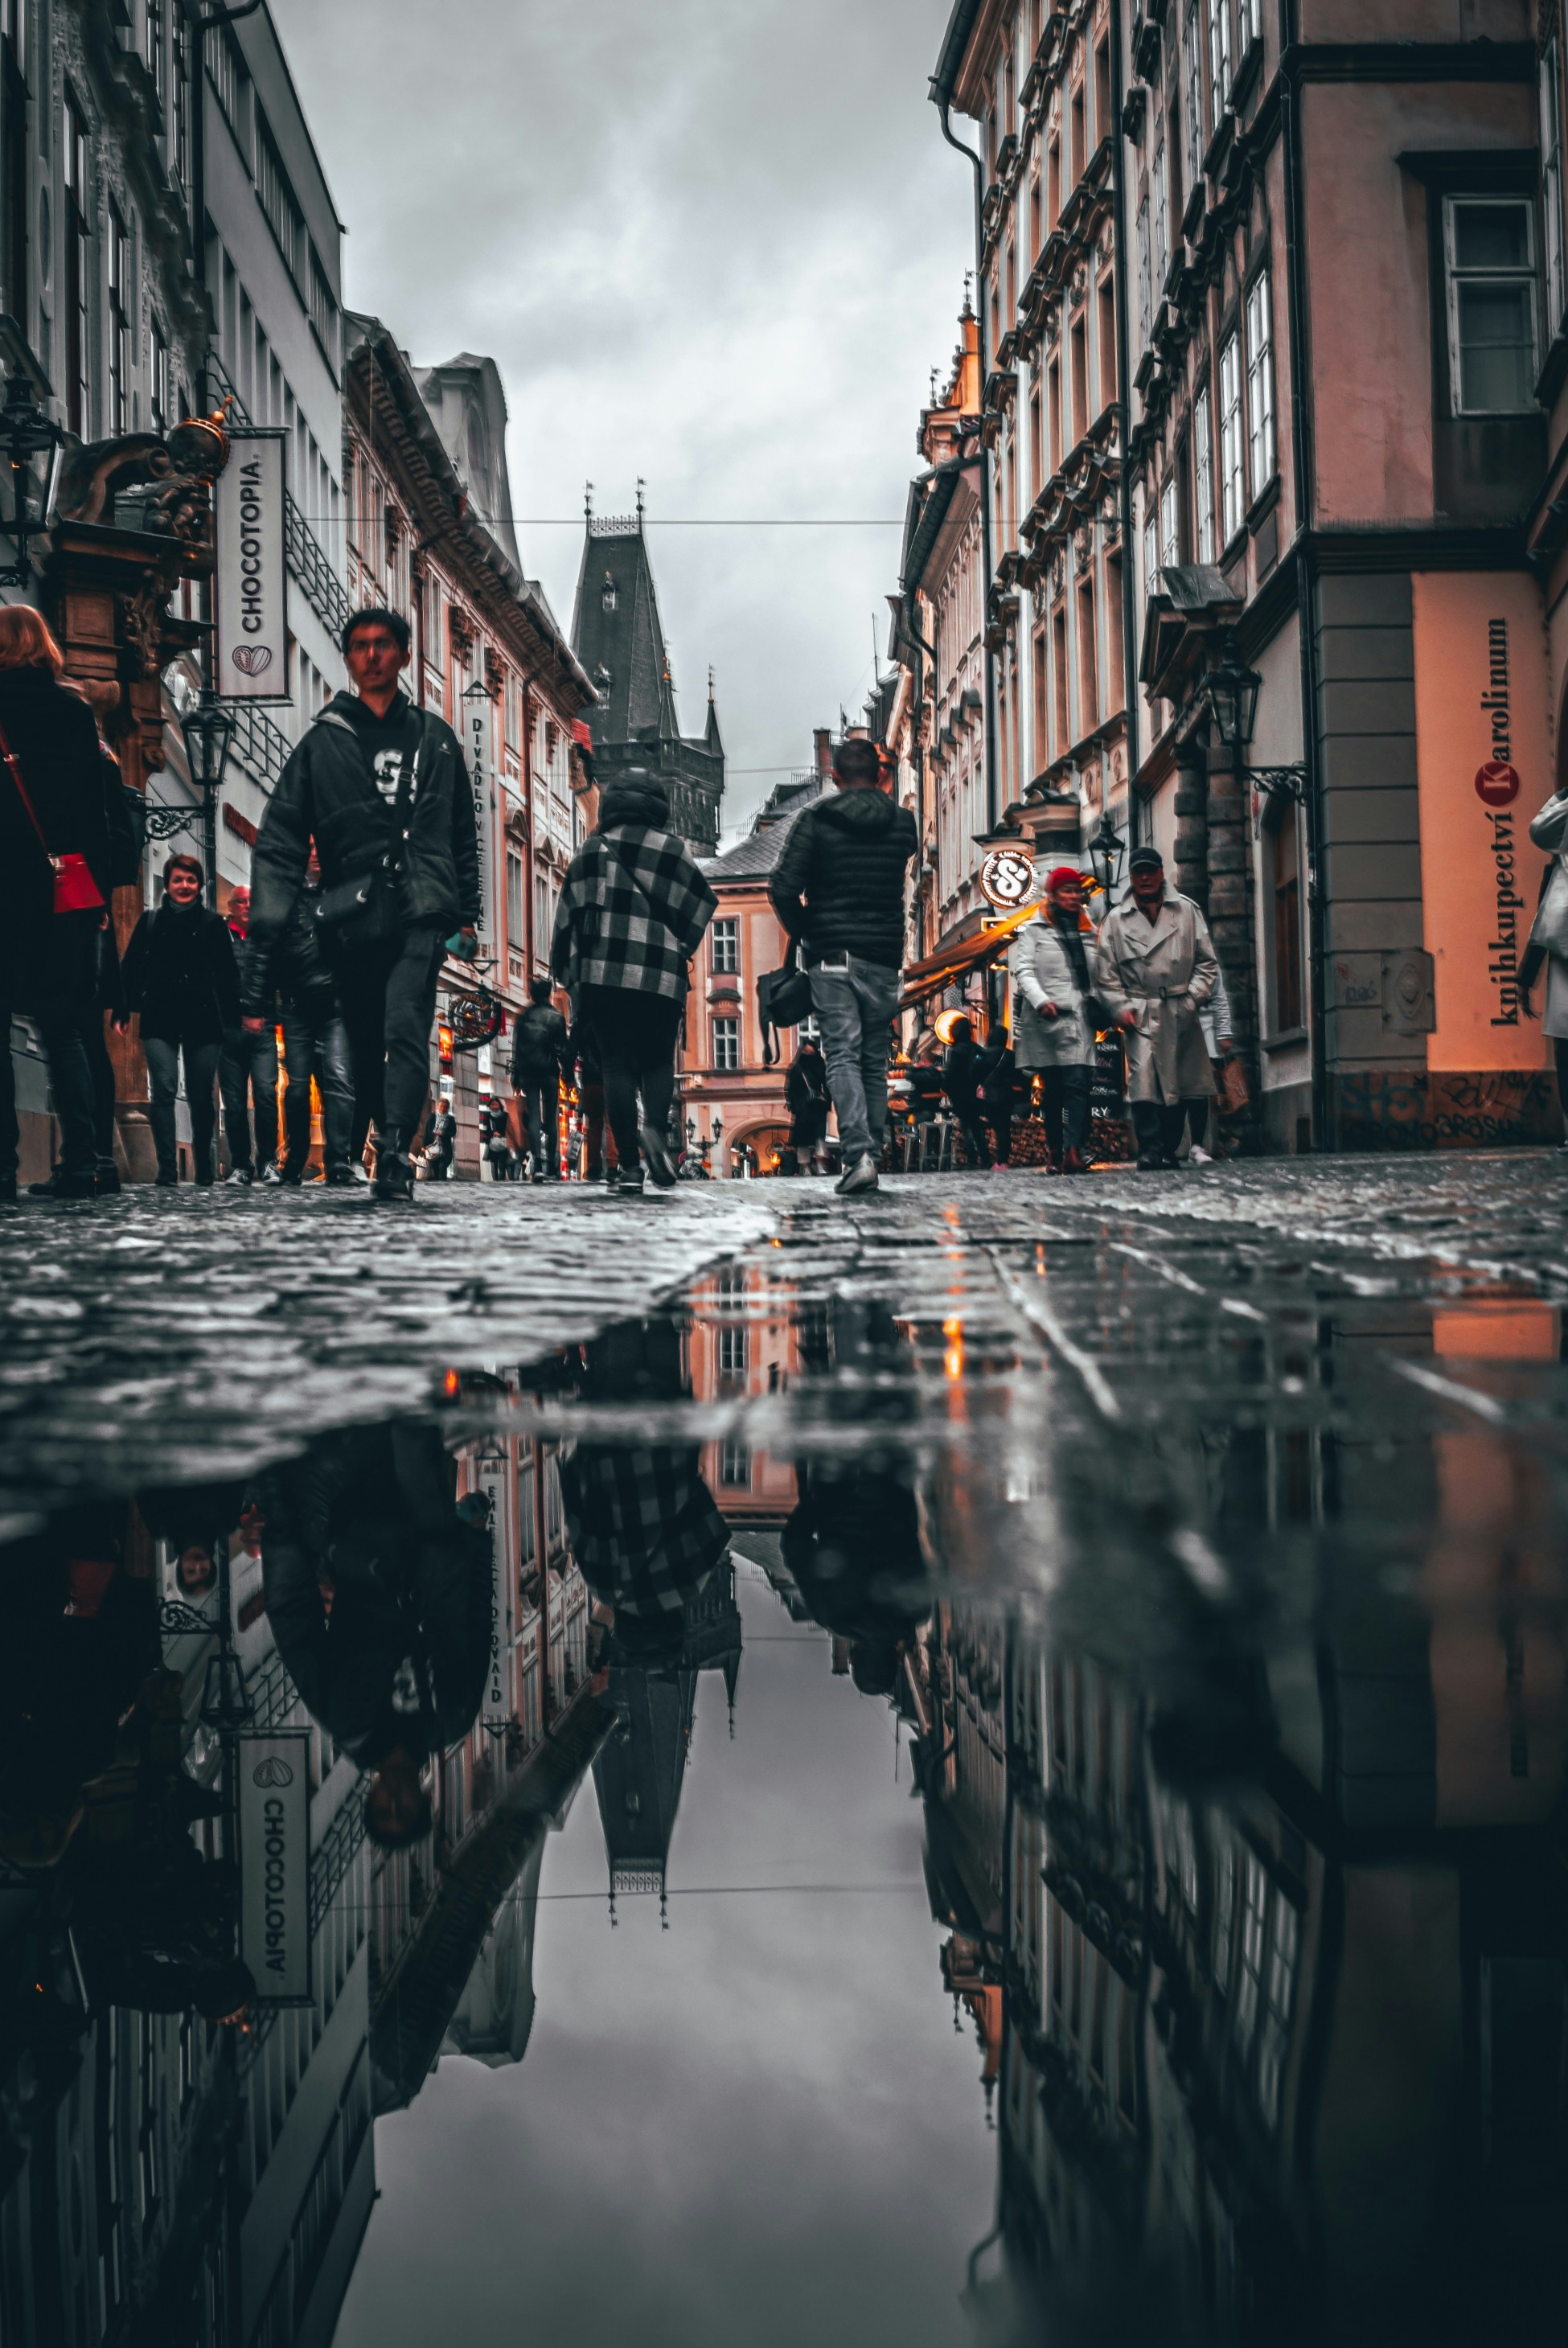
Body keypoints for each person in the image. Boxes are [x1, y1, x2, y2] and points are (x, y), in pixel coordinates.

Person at [248, 607, 479, 1201]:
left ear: (403, 655)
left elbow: (461, 834)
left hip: (422, 908)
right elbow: (280, 840)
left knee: (406, 1024)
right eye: (359, 646)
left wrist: (466, 915)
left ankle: (397, 1149)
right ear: (349, 659)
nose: (371, 655)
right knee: (364, 1032)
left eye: (383, 645)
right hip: (350, 916)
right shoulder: (322, 744)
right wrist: (269, 926)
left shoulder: (438, 739)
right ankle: (385, 1130)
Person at [260, 1422, 492, 1849]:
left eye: (383, 1809)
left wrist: (282, 1539)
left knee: (360, 1429)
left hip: (365, 1539)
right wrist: (477, 1545)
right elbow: (477, 1628)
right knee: (410, 1430)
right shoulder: (451, 1719)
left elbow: (295, 1621)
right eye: (404, 1810)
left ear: (369, 1796)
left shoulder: (343, 1718)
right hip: (432, 1547)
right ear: (425, 1800)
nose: (394, 1801)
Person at [552, 769, 716, 1199]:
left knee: (617, 1067)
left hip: (603, 978)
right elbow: (702, 905)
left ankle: (628, 1165)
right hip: (661, 977)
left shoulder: (590, 851)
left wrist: (568, 974)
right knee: (659, 1061)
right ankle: (655, 1134)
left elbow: (566, 918)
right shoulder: (674, 851)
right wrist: (679, 944)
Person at [0, 608, 117, 1201]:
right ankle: (83, 1163)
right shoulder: (75, 710)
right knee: (65, 1028)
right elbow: (94, 812)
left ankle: (1, 1169)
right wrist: (96, 892)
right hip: (60, 887)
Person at [768, 737, 918, 1196]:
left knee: (843, 1056)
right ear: (880, 776)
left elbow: (782, 886)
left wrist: (807, 933)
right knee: (874, 1059)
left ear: (834, 778)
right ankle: (872, 1149)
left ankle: (858, 1155)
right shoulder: (902, 822)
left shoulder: (815, 819)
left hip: (831, 956)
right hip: (884, 955)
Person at [1094, 845, 1217, 1172]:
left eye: (1150, 870)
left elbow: (1207, 963)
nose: (1145, 877)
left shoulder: (1187, 912)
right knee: (1144, 1081)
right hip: (1140, 1009)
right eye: (1138, 872)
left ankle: (1169, 1147)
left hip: (1180, 1007)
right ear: (1131, 878)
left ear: (1162, 873)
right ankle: (1150, 1148)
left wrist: (1192, 1000)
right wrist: (1120, 1007)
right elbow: (1106, 975)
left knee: (1179, 1082)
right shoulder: (1116, 921)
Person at [120, 854, 240, 1187]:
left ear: (199, 885)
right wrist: (122, 1008)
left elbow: (229, 975)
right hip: (159, 1014)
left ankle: (203, 1164)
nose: (184, 886)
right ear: (168, 884)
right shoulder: (151, 921)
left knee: (202, 1094)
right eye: (178, 880)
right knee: (163, 1089)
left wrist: (233, 1019)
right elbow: (130, 967)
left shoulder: (213, 924)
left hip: (203, 1016)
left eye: (190, 880)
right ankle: (167, 1170)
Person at [240, 849, 355, 1185]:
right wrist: (255, 1006)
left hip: (335, 1005)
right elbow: (263, 951)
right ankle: (296, 1158)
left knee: (339, 1081)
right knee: (296, 1089)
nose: (318, 853)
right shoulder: (285, 896)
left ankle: (338, 1161)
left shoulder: (343, 892)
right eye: (311, 848)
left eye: (322, 846)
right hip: (295, 1005)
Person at [1012, 865, 1106, 1175]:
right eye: (1066, 890)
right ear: (1051, 895)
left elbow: (1098, 974)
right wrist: (1041, 1001)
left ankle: (1074, 1151)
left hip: (1078, 1018)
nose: (1073, 896)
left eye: (1076, 890)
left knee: (1079, 1084)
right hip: (1046, 1021)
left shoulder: (1089, 929)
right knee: (1053, 1090)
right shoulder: (1035, 930)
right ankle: (1055, 1151)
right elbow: (1023, 970)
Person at [218, 883, 280, 1186]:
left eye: (252, 902)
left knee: (267, 1096)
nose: (247, 906)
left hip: (263, 1032)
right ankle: (240, 1165)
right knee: (235, 1102)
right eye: (240, 902)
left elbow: (277, 980)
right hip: (228, 1032)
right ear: (230, 906)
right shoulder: (218, 937)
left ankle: (268, 1161)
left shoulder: (267, 939)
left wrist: (268, 1017)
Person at [511, 975, 568, 1183]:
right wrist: (568, 1074)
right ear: (549, 993)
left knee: (534, 1117)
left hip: (528, 1072)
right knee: (550, 1119)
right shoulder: (556, 1017)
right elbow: (563, 1049)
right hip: (550, 1072)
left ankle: (536, 1166)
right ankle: (551, 1165)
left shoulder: (524, 1016)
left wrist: (515, 1075)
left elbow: (516, 1048)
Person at [941, 1015, 991, 1168]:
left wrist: (946, 1087)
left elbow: (951, 1074)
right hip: (975, 1093)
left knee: (967, 1127)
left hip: (961, 1094)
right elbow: (986, 1066)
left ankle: (972, 1159)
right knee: (976, 1127)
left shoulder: (955, 1051)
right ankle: (986, 1158)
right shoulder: (976, 1048)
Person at [785, 1033, 830, 1175]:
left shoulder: (819, 1064)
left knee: (820, 1136)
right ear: (802, 1051)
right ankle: (806, 1167)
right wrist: (795, 1105)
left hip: (817, 1106)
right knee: (802, 1140)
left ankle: (819, 1163)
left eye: (812, 1052)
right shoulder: (797, 1067)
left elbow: (826, 1083)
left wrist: (828, 1101)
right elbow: (790, 1088)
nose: (809, 1054)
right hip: (803, 1108)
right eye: (807, 1052)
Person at [978, 1028, 1020, 1170]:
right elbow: (1018, 1077)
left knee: (986, 1127)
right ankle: (1003, 1161)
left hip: (987, 1097)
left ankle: (984, 1158)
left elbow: (975, 1073)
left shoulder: (982, 1054)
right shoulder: (1010, 1055)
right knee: (1004, 1128)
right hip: (1006, 1097)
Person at [422, 1095, 456, 1180]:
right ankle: (437, 1184)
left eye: (445, 1107)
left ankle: (443, 1183)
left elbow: (453, 1132)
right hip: (433, 1147)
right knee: (435, 1168)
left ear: (448, 1108)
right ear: (438, 1106)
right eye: (441, 1106)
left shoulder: (450, 1119)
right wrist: (423, 1146)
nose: (443, 1108)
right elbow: (426, 1132)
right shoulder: (432, 1117)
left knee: (442, 1166)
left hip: (445, 1148)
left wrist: (443, 1134)